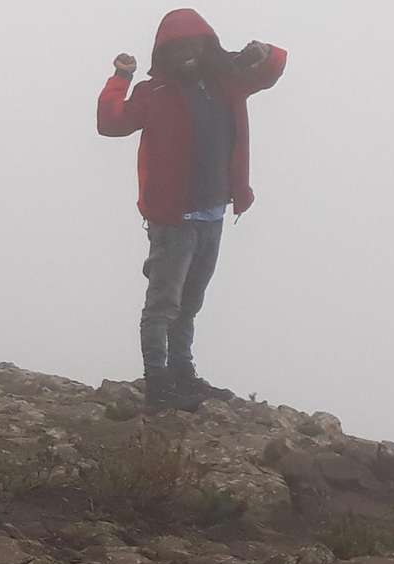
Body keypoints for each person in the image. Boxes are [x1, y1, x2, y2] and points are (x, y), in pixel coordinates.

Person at [98, 8, 286, 411]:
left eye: (194, 45)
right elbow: (110, 122)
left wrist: (258, 51)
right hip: (173, 218)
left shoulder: (225, 82)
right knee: (164, 305)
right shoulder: (155, 93)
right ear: (164, 53)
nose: (186, 54)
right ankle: (159, 384)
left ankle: (182, 374)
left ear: (206, 46)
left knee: (189, 302)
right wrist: (121, 78)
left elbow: (273, 67)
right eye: (177, 48)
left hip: (213, 211)